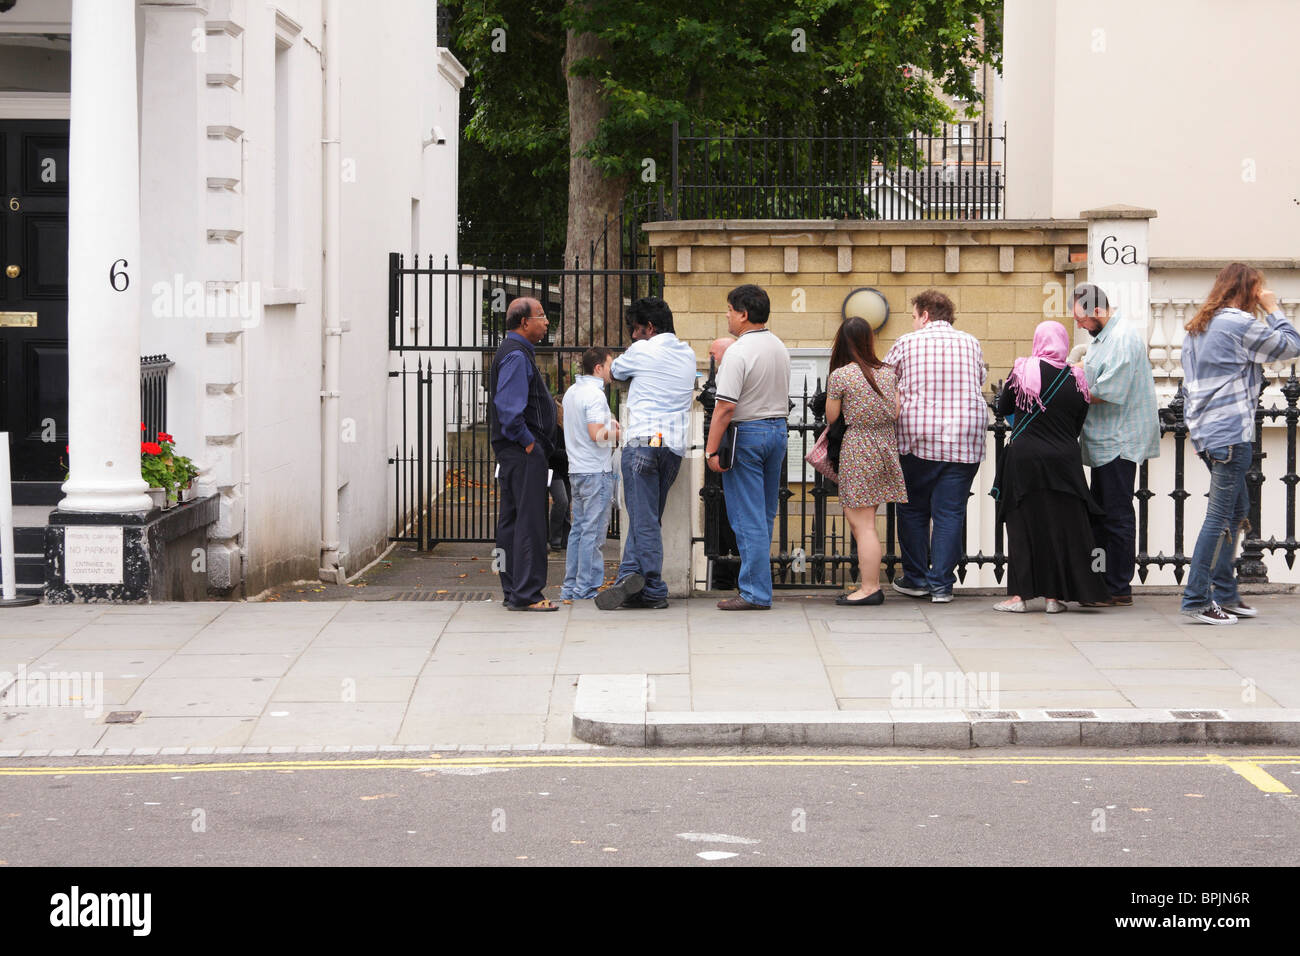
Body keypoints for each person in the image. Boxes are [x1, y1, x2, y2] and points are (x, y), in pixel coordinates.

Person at [1179, 263, 1300, 624]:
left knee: (1235, 510)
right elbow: (1292, 346)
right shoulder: (1238, 323)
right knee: (1219, 517)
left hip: (1205, 433)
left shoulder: (1197, 327)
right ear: (1248, 290)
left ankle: (1226, 593)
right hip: (1231, 432)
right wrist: (1273, 308)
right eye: (1259, 288)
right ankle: (1197, 599)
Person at [990, 321, 1109, 612]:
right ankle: (1053, 598)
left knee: (1022, 526)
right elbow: (1077, 423)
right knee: (1058, 527)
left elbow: (1003, 406)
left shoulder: (1022, 370)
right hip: (1064, 462)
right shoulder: (1077, 377)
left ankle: (1019, 597)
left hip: (1025, 459)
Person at [884, 290, 989, 603]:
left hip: (919, 435)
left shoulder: (907, 342)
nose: (914, 322)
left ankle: (916, 579)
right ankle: (942, 585)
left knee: (913, 509)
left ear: (925, 314)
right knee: (950, 512)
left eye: (914, 316)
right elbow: (980, 377)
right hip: (964, 436)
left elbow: (886, 380)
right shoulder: (971, 342)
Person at [596, 297, 697, 610]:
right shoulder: (688, 353)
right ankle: (630, 578)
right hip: (671, 445)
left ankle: (653, 586)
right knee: (647, 517)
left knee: (644, 521)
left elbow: (614, 374)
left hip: (644, 440)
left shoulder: (642, 350)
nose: (633, 336)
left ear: (649, 327)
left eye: (635, 330)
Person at [1072, 283, 1161, 607]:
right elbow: (1092, 374)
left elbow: (1106, 391)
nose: (1079, 325)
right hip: (1105, 439)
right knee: (1100, 514)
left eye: (1081, 319)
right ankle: (1101, 580)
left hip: (1119, 440)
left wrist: (1067, 388)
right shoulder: (1102, 338)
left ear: (1097, 311)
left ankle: (1118, 586)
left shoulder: (1122, 339)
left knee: (1116, 514)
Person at [705, 284, 792, 610]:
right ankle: (759, 587)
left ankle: (755, 592)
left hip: (748, 434)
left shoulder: (739, 352)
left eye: (729, 309)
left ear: (743, 314)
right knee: (764, 515)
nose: (727, 315)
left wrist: (711, 451)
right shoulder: (778, 347)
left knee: (747, 517)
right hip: (776, 431)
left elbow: (725, 406)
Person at [823, 316, 908, 606]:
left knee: (863, 525)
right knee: (867, 521)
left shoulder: (842, 375)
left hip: (858, 446)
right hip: (884, 445)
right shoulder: (888, 372)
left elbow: (832, 417)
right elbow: (895, 412)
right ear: (869, 340)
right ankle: (869, 585)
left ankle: (870, 587)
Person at [489, 297, 558, 611]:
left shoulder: (512, 352)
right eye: (541, 316)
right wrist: (529, 442)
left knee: (512, 521)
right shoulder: (516, 356)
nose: (546, 322)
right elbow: (509, 409)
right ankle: (528, 593)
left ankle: (513, 589)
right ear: (524, 322)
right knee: (529, 521)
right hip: (522, 452)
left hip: (513, 453)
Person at [560, 347, 620, 601]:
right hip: (596, 471)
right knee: (593, 532)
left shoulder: (572, 393)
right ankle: (586, 587)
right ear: (598, 368)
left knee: (579, 530)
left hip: (577, 469)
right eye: (609, 365)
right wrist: (620, 432)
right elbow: (597, 435)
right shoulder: (595, 396)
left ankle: (571, 585)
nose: (612, 370)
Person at [547, 398, 571, 552]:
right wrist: (570, 453)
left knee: (566, 504)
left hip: (565, 469)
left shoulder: (568, 427)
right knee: (562, 501)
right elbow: (551, 450)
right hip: (553, 470)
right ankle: (554, 537)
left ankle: (565, 539)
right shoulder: (552, 429)